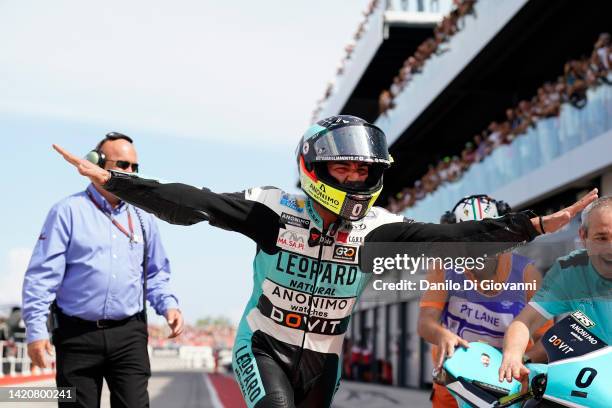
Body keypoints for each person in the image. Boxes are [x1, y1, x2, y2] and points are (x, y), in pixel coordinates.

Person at [53, 115, 596, 408]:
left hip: (326, 356)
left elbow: (451, 237)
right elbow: (193, 202)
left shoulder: (378, 227)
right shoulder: (272, 209)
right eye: (344, 168)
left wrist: (536, 225)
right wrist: (117, 180)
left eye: (365, 170)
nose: (357, 178)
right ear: (316, 167)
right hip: (265, 344)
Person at [23, 132, 184, 408]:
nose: (130, 172)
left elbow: (156, 273)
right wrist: (35, 332)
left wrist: (169, 306)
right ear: (96, 163)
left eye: (134, 166)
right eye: (122, 164)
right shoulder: (67, 212)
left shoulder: (143, 217)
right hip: (76, 337)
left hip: (129, 336)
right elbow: (41, 277)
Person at [419, 195, 552, 408]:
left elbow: (546, 340)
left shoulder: (526, 273)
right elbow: (426, 323)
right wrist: (441, 334)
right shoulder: (443, 269)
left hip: (508, 387)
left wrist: (521, 360)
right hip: (453, 382)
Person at [499, 195, 612, 384]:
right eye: (601, 238)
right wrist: (514, 357)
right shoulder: (572, 270)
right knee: (569, 331)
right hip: (596, 378)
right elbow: (526, 321)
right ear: (583, 237)